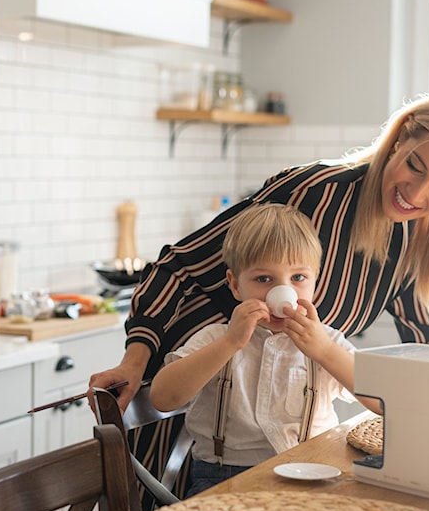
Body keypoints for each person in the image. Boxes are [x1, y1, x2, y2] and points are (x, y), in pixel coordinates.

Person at [89, 88, 429, 495]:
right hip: (194, 406)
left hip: (288, 451)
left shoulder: (410, 239)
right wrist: (135, 358)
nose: (416, 193)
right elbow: (178, 264)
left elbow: (425, 336)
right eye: (416, 166)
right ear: (402, 136)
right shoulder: (312, 193)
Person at [150, 203, 382, 495]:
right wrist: (230, 343)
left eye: (298, 278)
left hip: (313, 472)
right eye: (263, 279)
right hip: (224, 479)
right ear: (235, 286)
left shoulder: (327, 341)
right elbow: (163, 397)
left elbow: (383, 402)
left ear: (315, 281)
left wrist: (325, 352)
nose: (282, 292)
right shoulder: (217, 338)